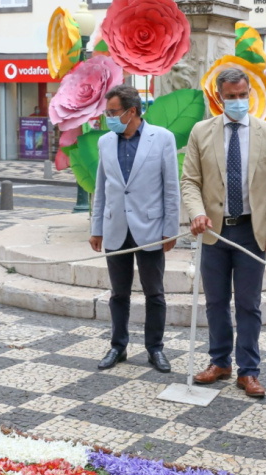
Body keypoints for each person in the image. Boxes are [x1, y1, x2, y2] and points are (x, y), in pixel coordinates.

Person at [180, 69, 266, 398]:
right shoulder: (201, 132)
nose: (238, 101)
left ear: (250, 93)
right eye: (231, 96)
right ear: (219, 97)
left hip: (250, 231)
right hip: (213, 231)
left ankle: (249, 370)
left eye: (243, 95)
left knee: (248, 303)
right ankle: (220, 361)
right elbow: (190, 181)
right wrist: (197, 212)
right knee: (215, 302)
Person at [89, 84, 180, 373]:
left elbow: (171, 188)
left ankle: (155, 349)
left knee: (155, 293)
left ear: (132, 111)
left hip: (151, 228)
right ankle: (118, 346)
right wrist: (96, 227)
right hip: (116, 226)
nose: (109, 118)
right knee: (119, 293)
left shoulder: (162, 138)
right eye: (106, 113)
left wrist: (170, 229)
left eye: (113, 112)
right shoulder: (105, 142)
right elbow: (101, 188)